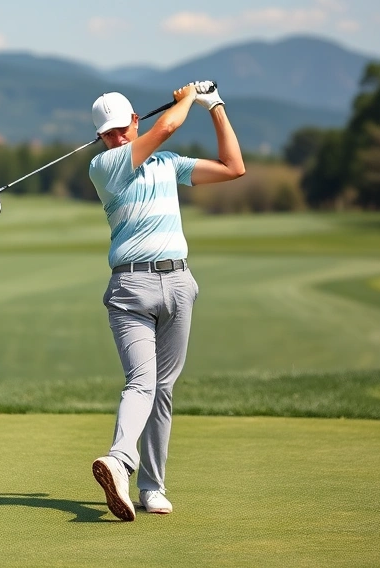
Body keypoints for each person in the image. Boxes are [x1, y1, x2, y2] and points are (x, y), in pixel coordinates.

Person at [88, 81, 245, 521]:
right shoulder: (106, 166)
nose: (117, 137)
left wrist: (215, 105)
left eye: (122, 128)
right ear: (101, 138)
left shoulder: (166, 165)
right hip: (130, 289)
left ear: (134, 120)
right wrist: (188, 98)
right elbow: (170, 126)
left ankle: (151, 487)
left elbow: (234, 168)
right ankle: (119, 461)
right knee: (141, 381)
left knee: (163, 390)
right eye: (109, 133)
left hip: (179, 283)